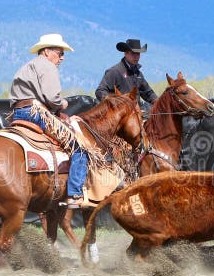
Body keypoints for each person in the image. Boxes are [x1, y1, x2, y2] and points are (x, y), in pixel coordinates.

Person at [8, 33, 87, 208]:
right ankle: (75, 194)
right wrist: (63, 103)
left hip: (18, 113)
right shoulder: (48, 67)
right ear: (46, 52)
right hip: (37, 113)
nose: (62, 58)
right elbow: (52, 98)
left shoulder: (26, 67)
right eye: (59, 53)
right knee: (79, 148)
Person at [95, 38, 158, 107]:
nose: (136, 56)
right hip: (119, 114)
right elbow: (100, 91)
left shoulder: (138, 74)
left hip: (136, 113)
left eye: (138, 53)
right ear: (125, 53)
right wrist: (115, 103)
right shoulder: (114, 71)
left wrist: (159, 102)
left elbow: (148, 93)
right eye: (133, 53)